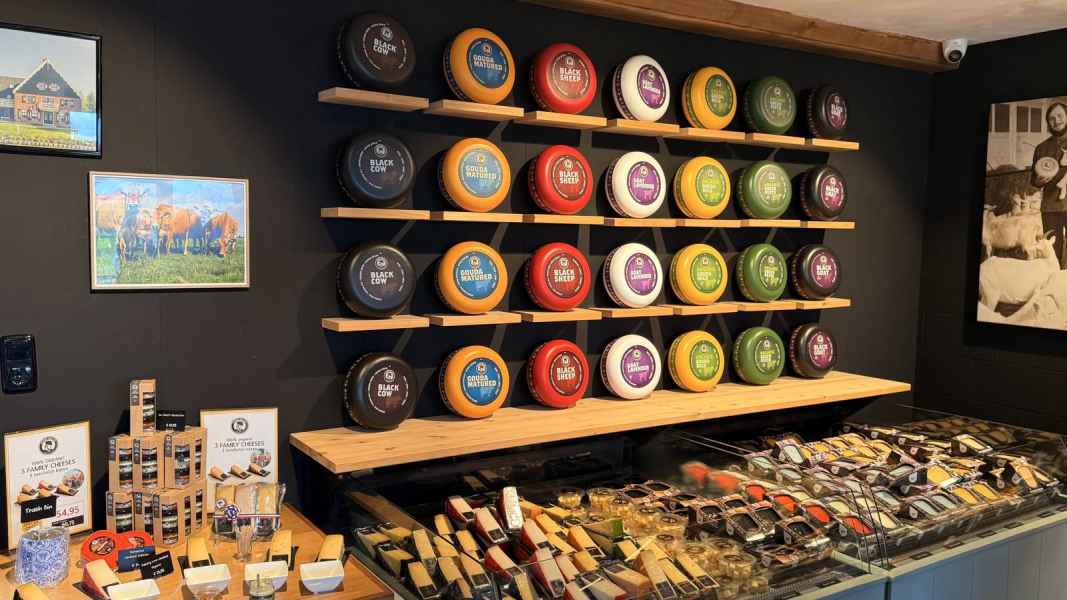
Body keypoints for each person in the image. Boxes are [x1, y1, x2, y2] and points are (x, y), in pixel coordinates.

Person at [1032, 101, 1067, 268]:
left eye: (1060, 115)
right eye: (1052, 118)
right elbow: (1034, 181)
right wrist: (1039, 181)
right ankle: (1054, 281)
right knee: (1052, 253)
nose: (1056, 120)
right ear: (1048, 123)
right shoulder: (1041, 148)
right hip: (1050, 207)